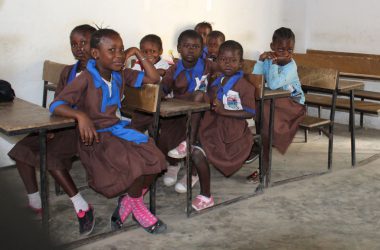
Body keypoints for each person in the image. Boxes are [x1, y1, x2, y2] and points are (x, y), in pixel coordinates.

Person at [49, 28, 167, 234]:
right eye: (111, 50)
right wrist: (81, 116)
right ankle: (139, 209)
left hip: (117, 131)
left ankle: (129, 201)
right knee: (136, 164)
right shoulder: (86, 78)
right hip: (96, 138)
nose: (119, 55)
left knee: (156, 159)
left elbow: (154, 78)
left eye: (121, 50)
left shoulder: (119, 73)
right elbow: (56, 104)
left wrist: (137, 53)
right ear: (96, 54)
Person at [8, 24, 97, 235]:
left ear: (95, 43)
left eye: (83, 42)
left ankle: (82, 206)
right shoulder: (69, 71)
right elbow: (58, 101)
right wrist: (51, 127)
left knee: (50, 156)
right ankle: (35, 202)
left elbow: (96, 109)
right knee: (21, 151)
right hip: (62, 123)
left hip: (88, 128)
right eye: (74, 44)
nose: (78, 48)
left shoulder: (102, 71)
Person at [191, 40, 256, 211]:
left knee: (197, 149)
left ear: (240, 63)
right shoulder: (216, 82)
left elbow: (250, 112)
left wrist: (223, 112)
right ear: (217, 61)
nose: (228, 64)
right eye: (223, 60)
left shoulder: (245, 86)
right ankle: (206, 194)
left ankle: (204, 195)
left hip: (232, 131)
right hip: (215, 125)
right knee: (196, 152)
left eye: (233, 60)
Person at [159, 29, 218, 193]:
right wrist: (158, 94)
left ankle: (192, 173)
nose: (191, 50)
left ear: (202, 49)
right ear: (178, 48)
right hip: (181, 111)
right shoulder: (175, 68)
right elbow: (164, 87)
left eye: (195, 46)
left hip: (204, 113)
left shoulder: (208, 66)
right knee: (163, 131)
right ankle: (173, 164)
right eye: (186, 46)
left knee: (197, 129)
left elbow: (222, 76)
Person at [246, 27, 306, 183]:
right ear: (272, 47)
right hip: (275, 101)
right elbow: (256, 79)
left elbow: (272, 84)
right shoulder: (268, 59)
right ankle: (260, 146)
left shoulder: (291, 66)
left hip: (294, 104)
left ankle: (260, 149)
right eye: (280, 49)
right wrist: (260, 60)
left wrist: (273, 63)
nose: (285, 53)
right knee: (260, 108)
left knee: (264, 113)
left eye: (289, 49)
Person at [130, 34, 171, 134]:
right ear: (140, 52)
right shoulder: (138, 63)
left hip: (161, 99)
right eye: (145, 52)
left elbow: (163, 82)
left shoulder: (164, 65)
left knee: (154, 124)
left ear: (160, 51)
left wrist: (161, 73)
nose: (149, 54)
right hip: (143, 99)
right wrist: (155, 73)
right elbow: (133, 78)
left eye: (153, 51)